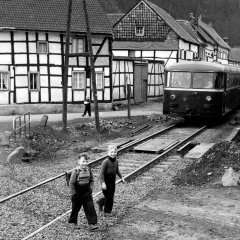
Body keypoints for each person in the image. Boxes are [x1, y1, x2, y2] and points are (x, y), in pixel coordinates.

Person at [68, 154, 98, 231]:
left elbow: (91, 180)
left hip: (87, 191)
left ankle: (92, 224)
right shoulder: (76, 171)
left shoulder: (89, 170)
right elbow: (71, 183)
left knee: (90, 207)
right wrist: (73, 193)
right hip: (77, 191)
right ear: (78, 162)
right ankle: (73, 222)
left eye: (86, 161)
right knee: (76, 207)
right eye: (83, 161)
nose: (85, 163)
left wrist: (91, 188)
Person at [97, 145, 125, 216]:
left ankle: (100, 203)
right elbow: (101, 173)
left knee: (110, 196)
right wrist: (103, 183)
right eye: (111, 152)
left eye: (114, 152)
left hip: (112, 181)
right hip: (106, 181)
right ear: (108, 153)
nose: (113, 153)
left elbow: (117, 170)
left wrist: (121, 177)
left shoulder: (116, 161)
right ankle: (107, 211)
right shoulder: (105, 162)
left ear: (117, 152)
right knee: (109, 197)